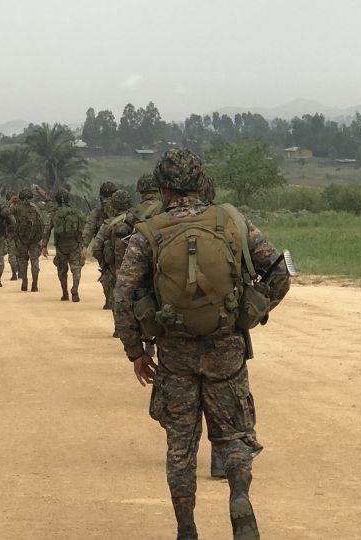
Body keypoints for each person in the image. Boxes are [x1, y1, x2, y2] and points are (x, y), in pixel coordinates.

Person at [113, 148, 290, 540]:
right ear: (200, 183)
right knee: (235, 436)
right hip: (226, 352)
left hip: (174, 356)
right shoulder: (233, 222)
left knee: (180, 446)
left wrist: (137, 353)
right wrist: (247, 315)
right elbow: (278, 274)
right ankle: (240, 496)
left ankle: (186, 529)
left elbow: (124, 296)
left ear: (162, 188)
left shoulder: (149, 232)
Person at [91, 189, 134, 316]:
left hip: (114, 268)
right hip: (135, 266)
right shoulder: (137, 221)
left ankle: (118, 327)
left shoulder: (108, 224)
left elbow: (96, 248)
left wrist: (104, 263)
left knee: (116, 297)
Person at [42, 190, 86, 301]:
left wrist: (44, 246)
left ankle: (65, 293)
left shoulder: (54, 213)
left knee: (62, 270)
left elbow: (47, 230)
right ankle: (75, 289)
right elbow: (84, 229)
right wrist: (84, 245)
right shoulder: (77, 212)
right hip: (75, 244)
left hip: (60, 246)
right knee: (76, 269)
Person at [82, 181, 118, 309]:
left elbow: (89, 228)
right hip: (121, 245)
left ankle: (109, 299)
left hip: (103, 248)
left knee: (106, 272)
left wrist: (84, 246)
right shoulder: (121, 208)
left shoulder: (97, 211)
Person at [2, 187, 44, 292]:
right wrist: (43, 194)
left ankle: (24, 282)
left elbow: (3, 212)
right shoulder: (36, 206)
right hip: (35, 238)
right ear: (31, 197)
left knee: (22, 260)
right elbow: (51, 205)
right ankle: (35, 284)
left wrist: (9, 202)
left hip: (21, 238)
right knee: (35, 261)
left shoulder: (16, 207)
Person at [4, 191, 19, 281]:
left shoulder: (7, 209)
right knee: (21, 255)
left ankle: (14, 273)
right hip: (21, 234)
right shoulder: (21, 208)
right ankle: (21, 273)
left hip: (11, 234)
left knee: (12, 255)